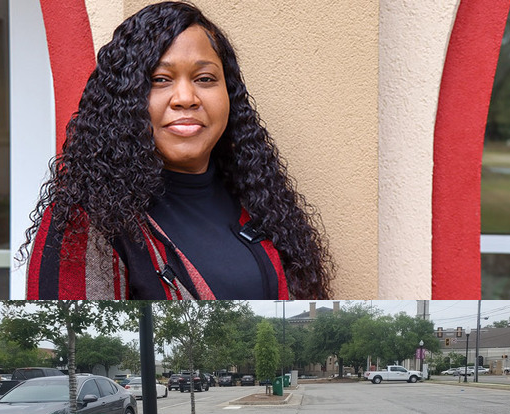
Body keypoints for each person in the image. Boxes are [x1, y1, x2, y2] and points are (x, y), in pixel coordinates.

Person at [21, 1, 334, 300]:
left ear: (230, 96)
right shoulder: (86, 222)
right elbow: (73, 349)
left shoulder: (263, 207)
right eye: (160, 79)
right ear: (122, 102)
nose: (186, 97)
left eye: (205, 78)